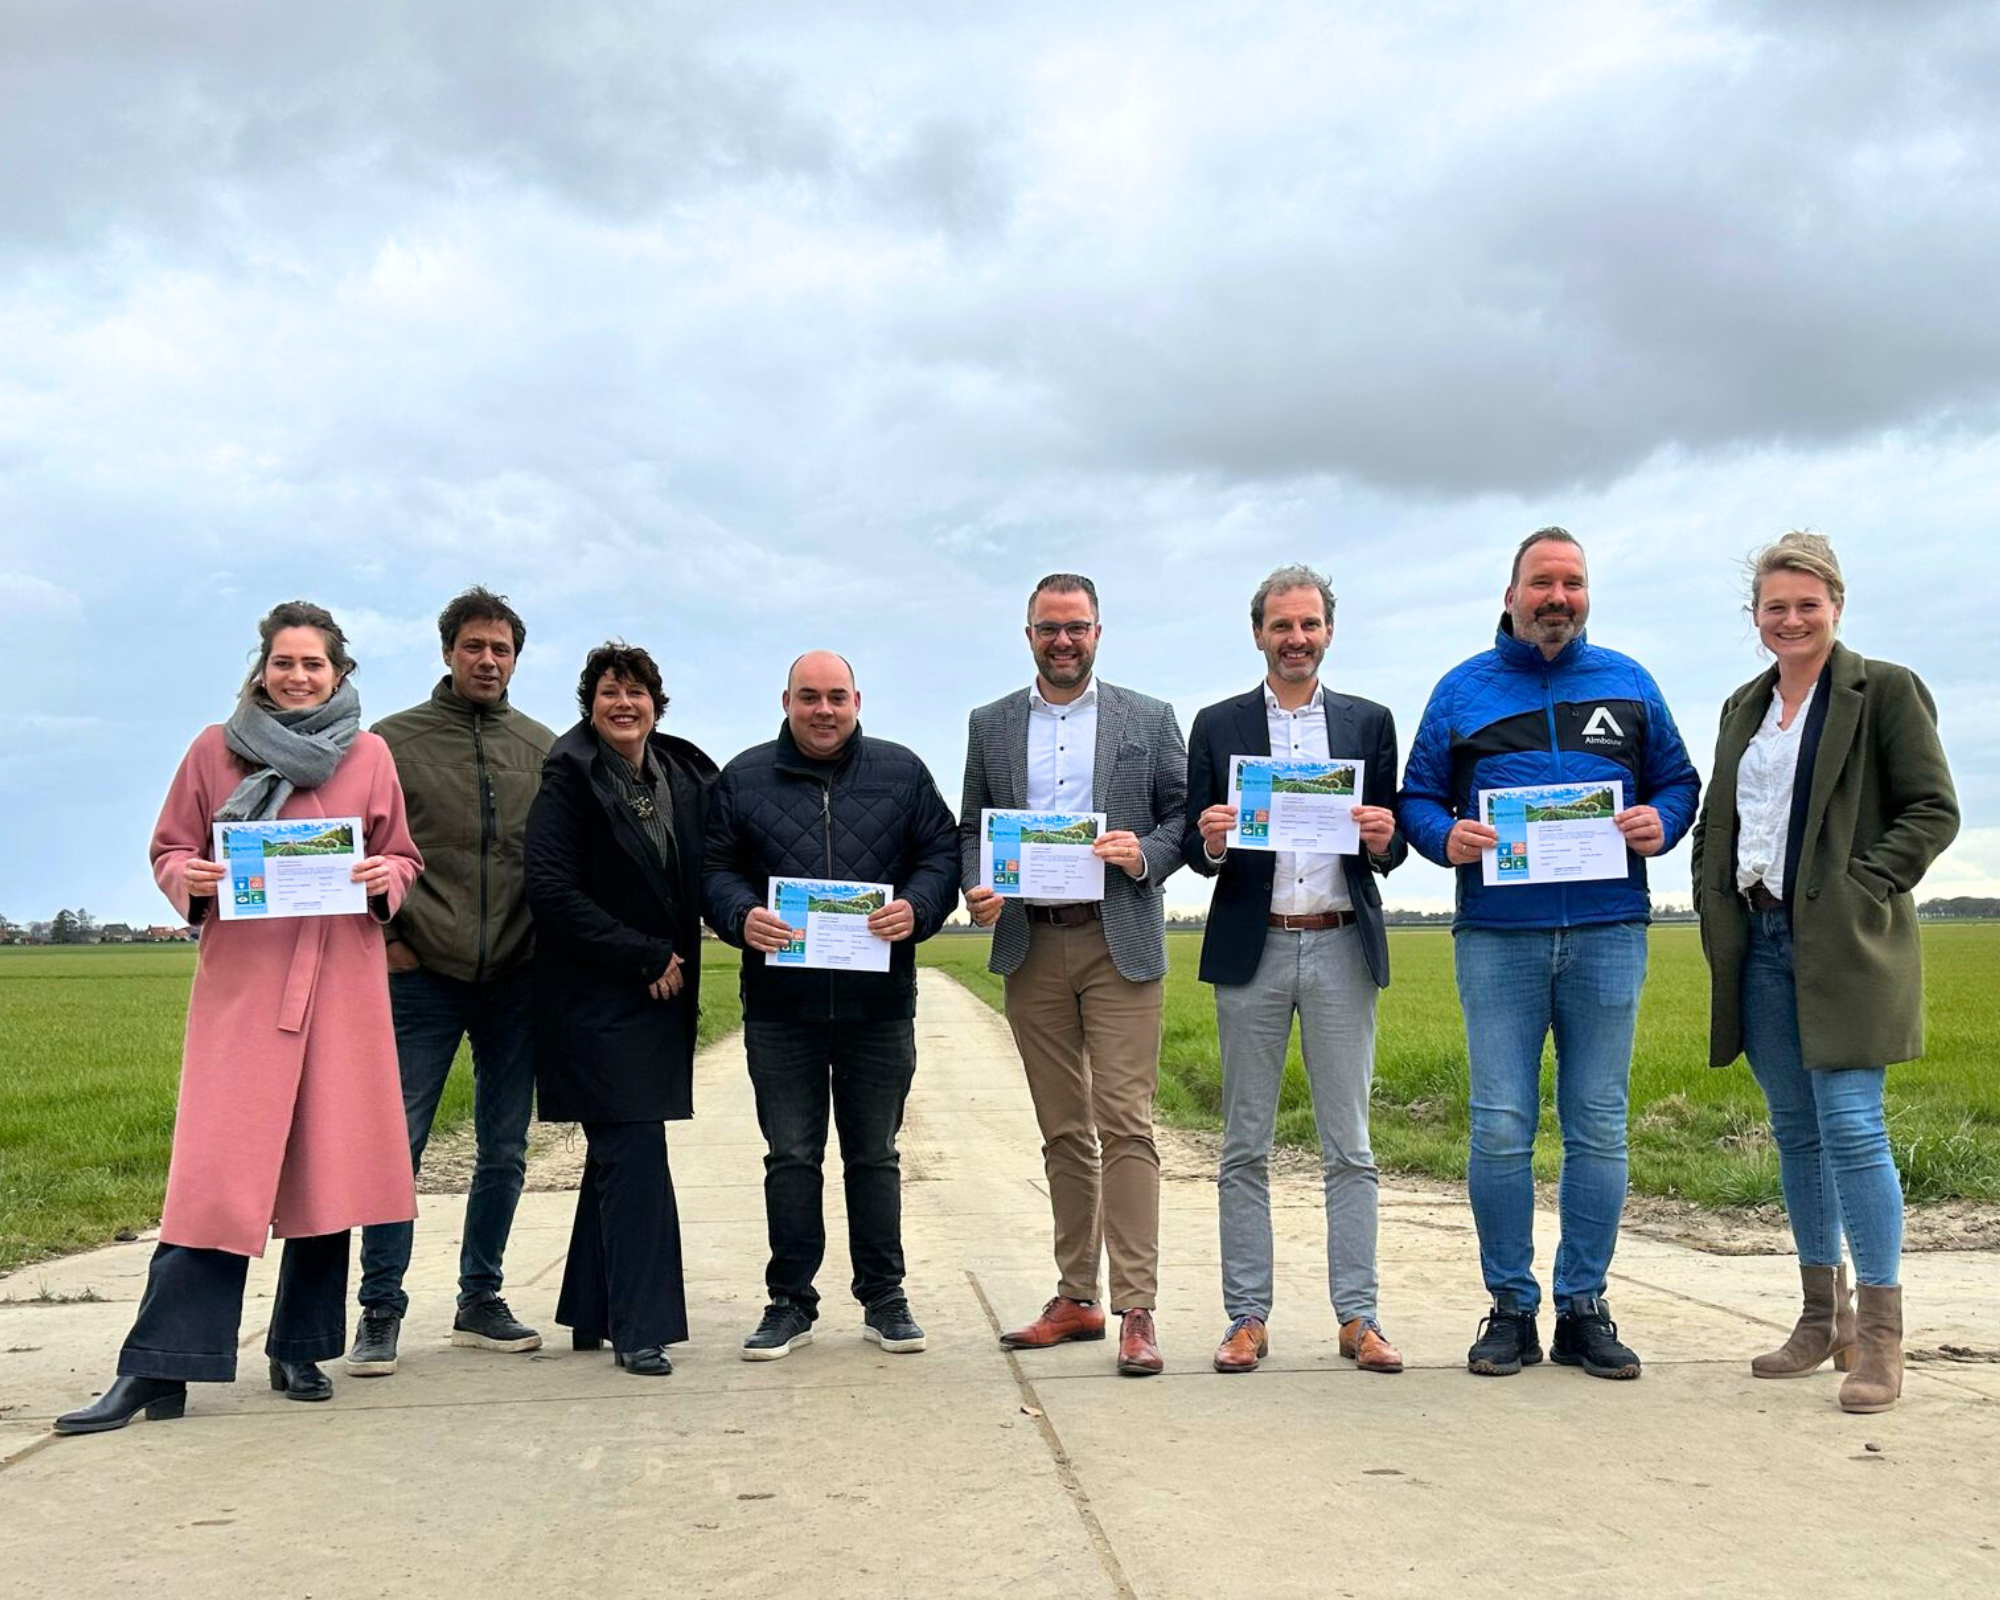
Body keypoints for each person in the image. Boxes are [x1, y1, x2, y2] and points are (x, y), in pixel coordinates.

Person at [56, 602, 422, 1434]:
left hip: (337, 985)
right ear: (261, 669)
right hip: (245, 987)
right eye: (284, 663)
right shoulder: (213, 750)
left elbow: (401, 853)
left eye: (315, 665)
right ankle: (160, 1367)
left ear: (340, 673)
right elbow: (169, 850)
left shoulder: (369, 757)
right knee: (213, 1180)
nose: (299, 677)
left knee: (324, 1172)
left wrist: (381, 881)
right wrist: (200, 877)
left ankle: (301, 1347)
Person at [1399, 528, 1699, 1381]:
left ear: (1586, 594)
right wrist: (1443, 835)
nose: (1556, 597)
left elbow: (1678, 781)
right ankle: (1509, 1307)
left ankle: (1584, 1305)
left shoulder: (1630, 682)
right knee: (1500, 1127)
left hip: (1608, 932)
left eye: (1571, 583)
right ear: (1511, 595)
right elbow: (1418, 796)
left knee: (1598, 1125)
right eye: (1541, 583)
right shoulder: (1462, 691)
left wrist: (1662, 822)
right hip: (1499, 939)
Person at [1691, 532, 1957, 1413]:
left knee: (1852, 1126)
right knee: (1795, 1133)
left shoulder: (1882, 690)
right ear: (1755, 617)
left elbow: (1933, 808)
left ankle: (1881, 1336)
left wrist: (1863, 885)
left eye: (1808, 604)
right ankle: (1822, 1318)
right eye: (1775, 606)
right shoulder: (1743, 706)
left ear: (1835, 605)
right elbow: (1722, 819)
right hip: (1759, 944)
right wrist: (1711, 892)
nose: (1792, 619)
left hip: (1843, 944)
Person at [960, 574, 1189, 1376]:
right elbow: (971, 827)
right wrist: (976, 885)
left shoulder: (1149, 718)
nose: (1064, 641)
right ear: (1028, 634)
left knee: (1124, 1122)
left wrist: (1147, 855)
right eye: (1049, 629)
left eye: (1077, 628)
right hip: (1032, 944)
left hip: (1118, 938)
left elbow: (1182, 819)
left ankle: (1137, 1308)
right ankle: (1076, 1297)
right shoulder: (989, 725)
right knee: (1063, 1128)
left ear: (1099, 632)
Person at [702, 650, 958, 1360]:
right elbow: (713, 866)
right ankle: (790, 1302)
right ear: (785, 700)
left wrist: (919, 906)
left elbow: (940, 854)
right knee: (790, 1155)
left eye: (836, 697)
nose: (823, 710)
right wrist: (740, 915)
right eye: (809, 697)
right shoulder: (744, 776)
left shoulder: (902, 773)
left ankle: (885, 1296)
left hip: (878, 1004)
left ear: (858, 701)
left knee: (875, 1155)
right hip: (781, 1005)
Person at [1184, 565, 1407, 1375]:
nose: (1296, 639)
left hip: (1343, 941)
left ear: (1328, 632)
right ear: (1258, 633)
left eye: (1309, 624)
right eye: (1282, 625)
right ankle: (1247, 1316)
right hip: (1255, 946)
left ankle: (1359, 1316)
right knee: (1245, 1142)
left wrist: (1383, 835)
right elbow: (1198, 852)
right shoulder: (1216, 725)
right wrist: (1211, 836)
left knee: (1350, 1144)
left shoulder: (1368, 722)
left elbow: (1393, 846)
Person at [347, 587, 555, 1377]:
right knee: (396, 1145)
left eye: (501, 649)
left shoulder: (543, 746)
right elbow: (361, 845)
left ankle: (481, 1299)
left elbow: (554, 862)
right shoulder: (388, 744)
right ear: (447, 651)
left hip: (514, 979)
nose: (488, 660)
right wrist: (389, 937)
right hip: (419, 977)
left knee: (504, 1149)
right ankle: (380, 1308)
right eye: (475, 646)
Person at [524, 643, 716, 1377]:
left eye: (636, 692)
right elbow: (549, 889)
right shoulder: (567, 779)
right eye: (609, 693)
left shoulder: (681, 773)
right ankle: (642, 1325)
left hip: (658, 997)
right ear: (590, 704)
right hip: (594, 998)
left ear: (655, 704)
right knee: (635, 1152)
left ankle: (592, 1307)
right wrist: (639, 953)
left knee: (618, 1151)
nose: (624, 704)